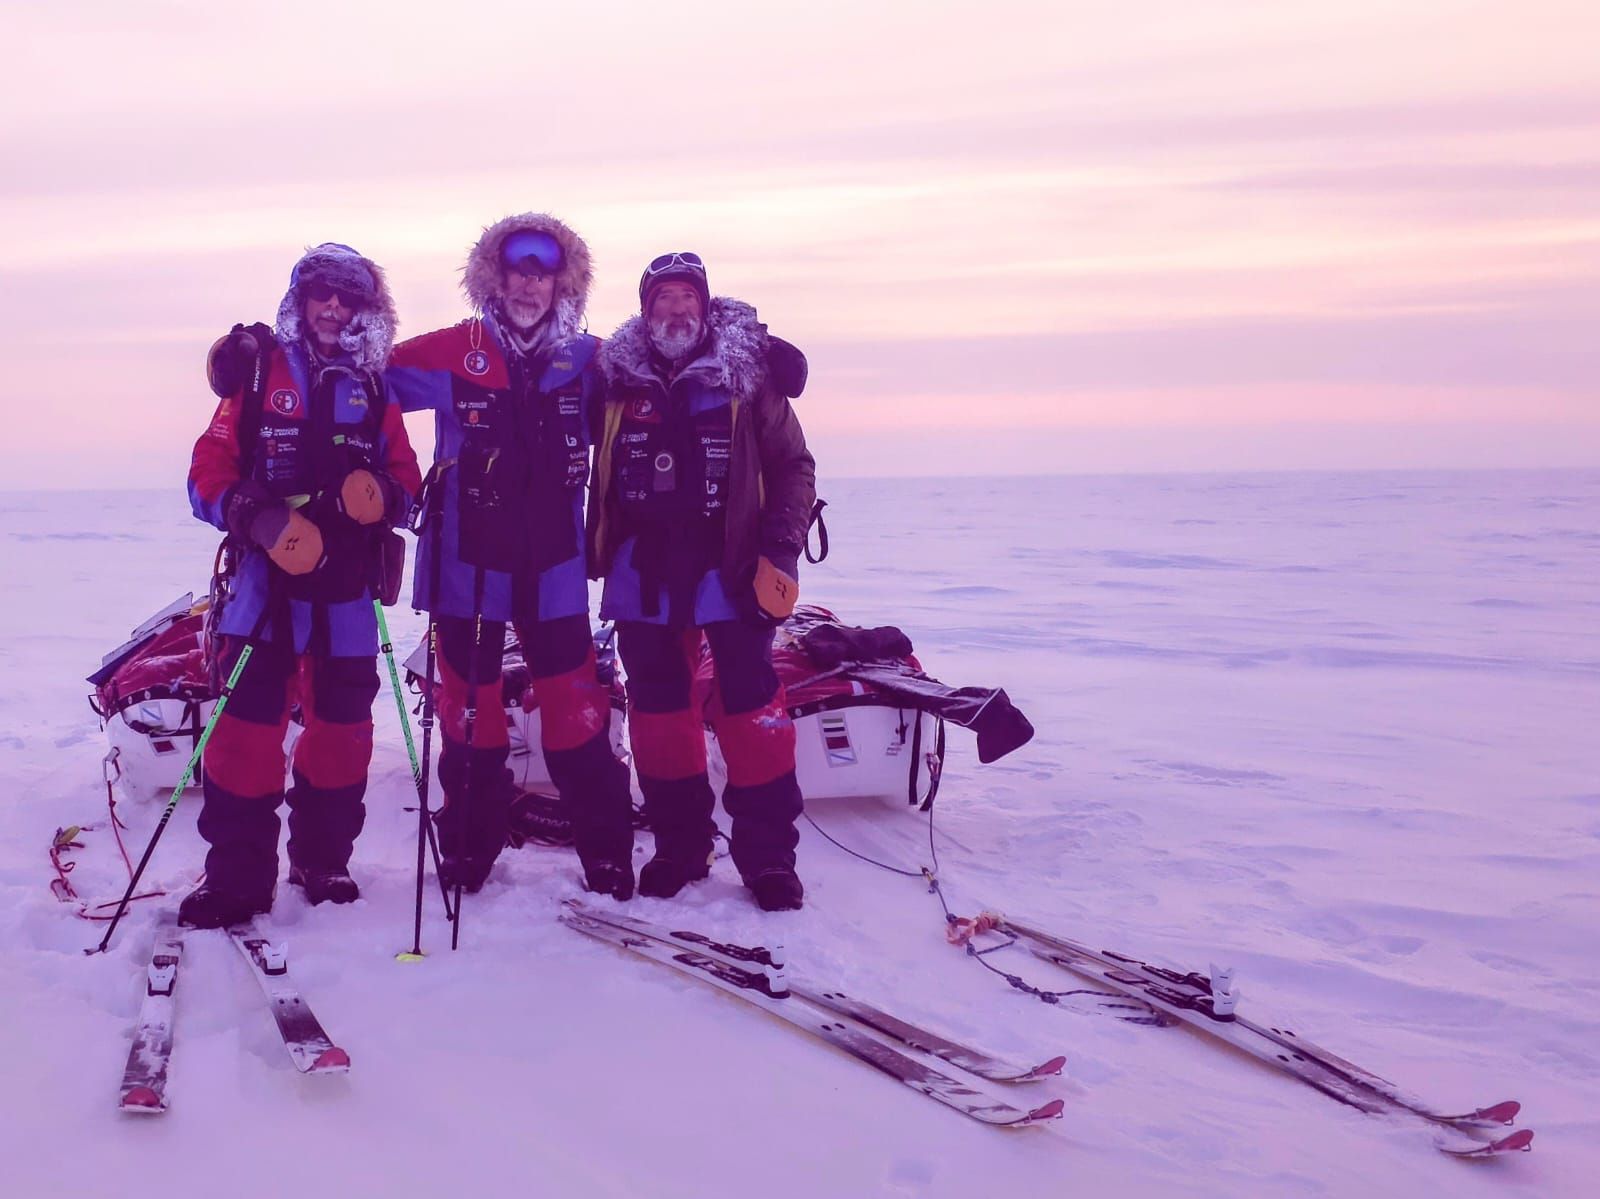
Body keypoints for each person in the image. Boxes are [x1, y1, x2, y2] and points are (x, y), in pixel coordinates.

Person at [384, 215, 637, 898]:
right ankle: (468, 847)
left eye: (543, 271)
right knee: (472, 715)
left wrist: (747, 351)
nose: (529, 283)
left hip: (554, 570)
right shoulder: (451, 351)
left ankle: (608, 853)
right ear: (495, 276)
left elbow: (665, 386)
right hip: (466, 570)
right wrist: (400, 487)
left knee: (578, 712)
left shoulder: (591, 360)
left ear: (562, 281)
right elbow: (360, 383)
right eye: (517, 269)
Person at [182, 243, 422, 928]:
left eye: (350, 298)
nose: (335, 308)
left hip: (348, 588)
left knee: (343, 731)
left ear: (365, 309)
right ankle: (236, 876)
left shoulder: (374, 385)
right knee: (245, 733)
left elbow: (407, 478)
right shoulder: (258, 374)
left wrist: (382, 494)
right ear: (303, 298)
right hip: (264, 583)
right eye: (323, 294)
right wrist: (250, 513)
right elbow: (207, 468)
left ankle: (323, 860)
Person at [589, 252, 817, 911]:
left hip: (733, 564)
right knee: (659, 717)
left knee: (752, 711)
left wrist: (783, 548)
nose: (677, 309)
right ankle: (680, 846)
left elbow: (794, 464)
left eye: (689, 296)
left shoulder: (749, 376)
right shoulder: (614, 380)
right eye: (664, 298)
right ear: (645, 310)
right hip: (643, 571)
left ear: (707, 305)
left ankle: (769, 857)